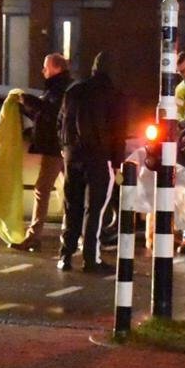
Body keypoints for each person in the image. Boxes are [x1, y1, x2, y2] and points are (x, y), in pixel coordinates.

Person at [56, 52, 127, 273]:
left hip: (72, 156)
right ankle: (90, 258)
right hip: (98, 157)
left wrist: (65, 148)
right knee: (95, 209)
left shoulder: (74, 90)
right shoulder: (114, 95)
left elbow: (61, 122)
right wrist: (117, 162)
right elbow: (118, 132)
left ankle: (65, 255)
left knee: (72, 206)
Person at [11, 53, 72, 252]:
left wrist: (28, 101)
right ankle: (73, 235)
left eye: (46, 67)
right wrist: (25, 106)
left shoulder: (59, 89)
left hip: (55, 147)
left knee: (42, 189)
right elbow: (43, 114)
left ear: (57, 68)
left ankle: (34, 236)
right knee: (69, 191)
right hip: (62, 146)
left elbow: (50, 112)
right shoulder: (59, 88)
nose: (43, 70)